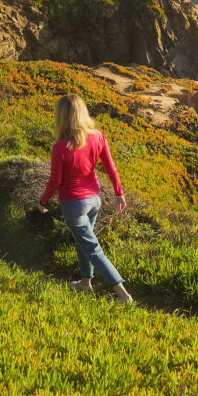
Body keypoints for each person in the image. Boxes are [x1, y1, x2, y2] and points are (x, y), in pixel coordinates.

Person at [38, 94, 133, 303]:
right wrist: (119, 193)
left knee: (92, 247)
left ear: (61, 117)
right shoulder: (97, 136)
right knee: (84, 242)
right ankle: (85, 283)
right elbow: (111, 168)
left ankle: (123, 295)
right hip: (94, 199)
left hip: (74, 204)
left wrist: (43, 201)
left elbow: (55, 181)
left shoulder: (61, 147)